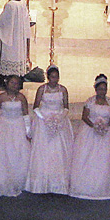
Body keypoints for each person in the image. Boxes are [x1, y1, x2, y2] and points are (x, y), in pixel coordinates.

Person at [25, 65, 73, 194]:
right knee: (43, 150)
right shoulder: (42, 89)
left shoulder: (63, 89)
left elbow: (66, 107)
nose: (54, 80)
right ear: (48, 77)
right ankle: (41, 182)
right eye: (52, 77)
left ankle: (58, 183)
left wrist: (59, 118)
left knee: (58, 151)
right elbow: (35, 107)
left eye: (57, 77)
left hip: (59, 120)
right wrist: (44, 118)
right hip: (43, 120)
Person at [69, 74, 110, 200]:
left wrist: (106, 125)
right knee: (88, 156)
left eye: (104, 89)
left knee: (104, 158)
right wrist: (94, 126)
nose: (102, 92)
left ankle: (102, 184)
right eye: (100, 89)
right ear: (95, 89)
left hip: (105, 132)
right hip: (90, 131)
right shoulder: (90, 101)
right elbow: (84, 117)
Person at [0, 75, 31, 197]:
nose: (14, 85)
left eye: (16, 83)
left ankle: (18, 181)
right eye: (12, 83)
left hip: (18, 126)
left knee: (18, 153)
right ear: (7, 83)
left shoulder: (22, 97)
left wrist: (28, 131)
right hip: (3, 126)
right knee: (3, 154)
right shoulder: (1, 97)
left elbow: (26, 114)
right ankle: (1, 181)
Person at [0, 0, 31, 78]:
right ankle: (19, 75)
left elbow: (4, 21)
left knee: (10, 55)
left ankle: (8, 77)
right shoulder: (22, 2)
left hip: (11, 38)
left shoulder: (10, 5)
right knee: (18, 55)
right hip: (19, 36)